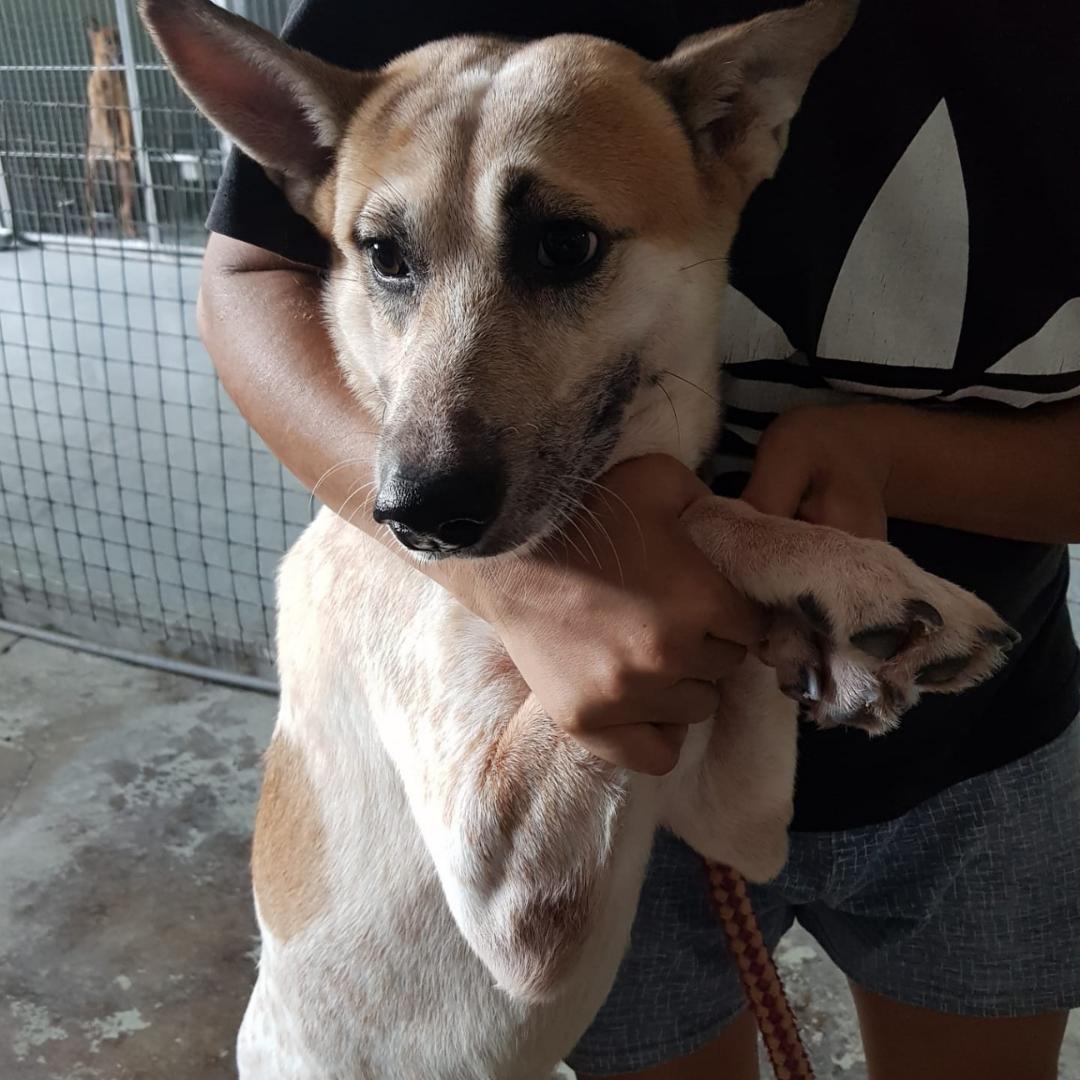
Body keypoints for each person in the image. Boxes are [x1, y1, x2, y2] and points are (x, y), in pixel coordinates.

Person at [198, 1, 1080, 1076]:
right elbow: (529, 936)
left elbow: (745, 827)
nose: (418, 472)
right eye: (389, 254)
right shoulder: (384, 549)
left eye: (562, 248)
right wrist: (520, 586)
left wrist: (850, 488)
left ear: (740, 126)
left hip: (986, 749)